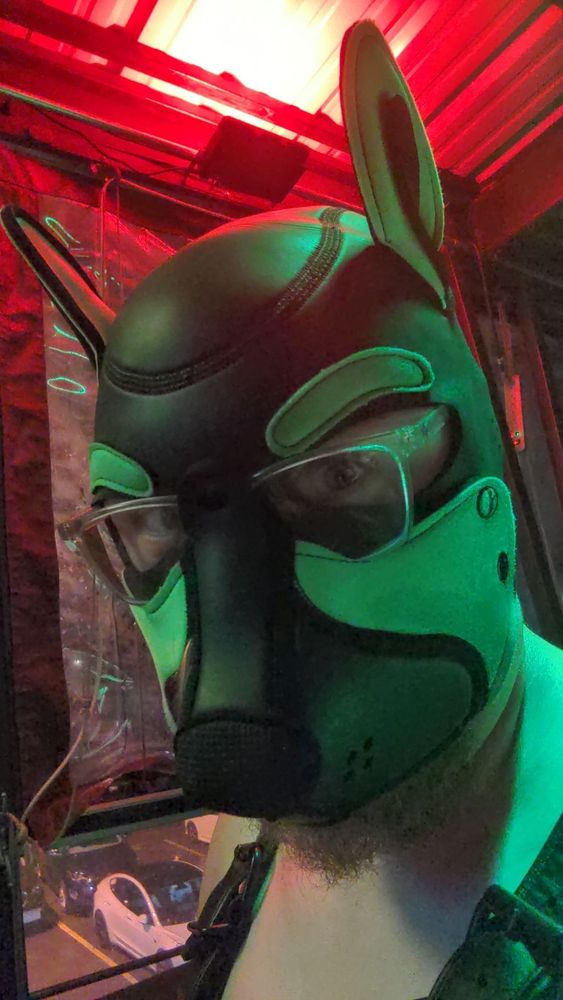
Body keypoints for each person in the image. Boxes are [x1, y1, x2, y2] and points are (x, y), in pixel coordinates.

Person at [5, 21, 562, 1000]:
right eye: (153, 526)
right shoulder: (251, 844)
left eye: (338, 479)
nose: (238, 677)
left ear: (477, 454)